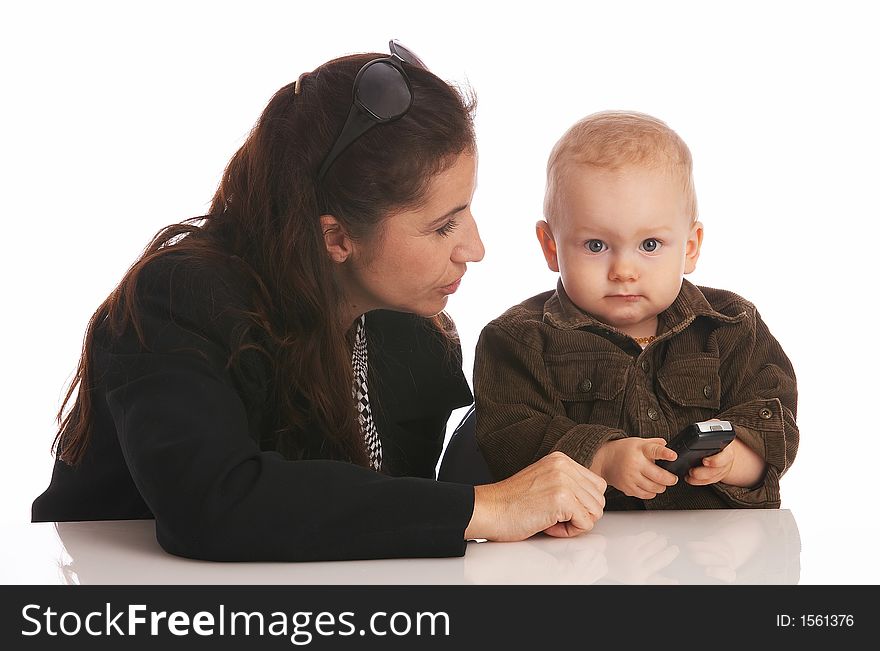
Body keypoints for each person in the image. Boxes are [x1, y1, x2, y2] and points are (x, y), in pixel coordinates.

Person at [31, 41, 607, 561]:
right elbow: (214, 505)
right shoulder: (178, 299)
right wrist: (483, 508)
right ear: (335, 237)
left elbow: (378, 521)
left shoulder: (412, 333)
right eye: (442, 226)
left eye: (467, 209)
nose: (474, 249)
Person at [473, 110, 798, 510]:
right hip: (584, 557)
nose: (624, 272)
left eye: (649, 245)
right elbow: (509, 438)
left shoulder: (730, 326)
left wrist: (734, 460)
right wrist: (601, 457)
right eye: (596, 246)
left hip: (713, 553)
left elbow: (774, 421)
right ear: (551, 246)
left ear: (690, 247)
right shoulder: (518, 341)